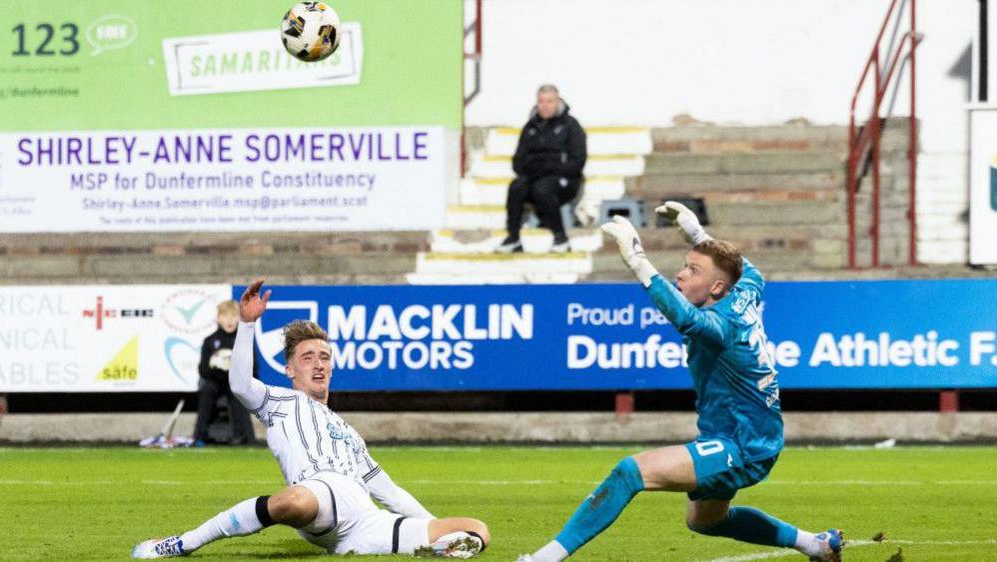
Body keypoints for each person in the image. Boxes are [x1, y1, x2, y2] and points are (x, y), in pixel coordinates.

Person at [517, 202, 843, 561]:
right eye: (685, 265)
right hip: (748, 437)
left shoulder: (722, 325)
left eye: (693, 269)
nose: (681, 275)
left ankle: (542, 558)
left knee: (630, 472)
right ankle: (816, 544)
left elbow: (686, 319)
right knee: (705, 522)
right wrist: (698, 234)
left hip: (742, 445)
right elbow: (749, 271)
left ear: (717, 286)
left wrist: (639, 262)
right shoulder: (744, 291)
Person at [133, 280, 490, 559]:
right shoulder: (281, 402)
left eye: (324, 356)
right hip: (318, 495)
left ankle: (423, 549)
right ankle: (181, 544)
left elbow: (391, 493)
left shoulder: (351, 434)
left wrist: (429, 525)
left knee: (477, 530)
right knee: (293, 503)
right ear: (288, 369)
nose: (318, 363)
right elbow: (240, 384)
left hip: (366, 524)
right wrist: (246, 325)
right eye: (307, 357)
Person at [495, 84, 587, 254]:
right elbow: (517, 162)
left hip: (565, 180)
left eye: (549, 101)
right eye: (541, 101)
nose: (545, 106)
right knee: (516, 186)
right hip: (535, 177)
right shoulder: (530, 127)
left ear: (558, 102)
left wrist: (550, 168)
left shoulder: (571, 126)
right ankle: (513, 238)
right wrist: (532, 169)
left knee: (543, 189)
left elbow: (577, 163)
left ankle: (560, 237)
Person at [192, 300, 256, 445]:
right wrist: (220, 369)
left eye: (234, 316)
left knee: (238, 392)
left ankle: (244, 437)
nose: (230, 320)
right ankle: (199, 436)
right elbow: (203, 370)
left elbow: (253, 369)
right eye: (225, 316)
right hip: (215, 381)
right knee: (207, 389)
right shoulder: (209, 341)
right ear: (218, 318)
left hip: (237, 383)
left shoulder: (244, 341)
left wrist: (235, 372)